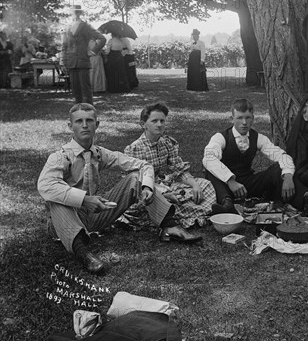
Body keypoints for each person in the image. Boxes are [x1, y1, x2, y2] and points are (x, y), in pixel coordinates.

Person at [38, 104, 202, 275]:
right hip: (62, 222)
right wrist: (85, 199)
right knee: (55, 200)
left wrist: (146, 187)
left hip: (93, 216)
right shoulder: (60, 156)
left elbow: (143, 165)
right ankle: (84, 253)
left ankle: (170, 227)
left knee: (135, 178)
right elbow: (45, 186)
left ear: (97, 124)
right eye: (79, 121)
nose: (85, 125)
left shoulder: (99, 153)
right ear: (70, 126)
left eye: (89, 121)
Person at [203, 98, 308, 215]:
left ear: (253, 118)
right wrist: (230, 180)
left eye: (248, 118)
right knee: (210, 169)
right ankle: (226, 204)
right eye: (239, 118)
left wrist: (287, 176)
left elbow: (281, 155)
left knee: (279, 168)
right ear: (232, 118)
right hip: (225, 186)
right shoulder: (220, 137)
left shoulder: (258, 138)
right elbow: (208, 158)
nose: (244, 123)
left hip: (247, 185)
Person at [125, 103, 216, 229]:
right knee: (157, 203)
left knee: (205, 185)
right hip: (148, 192)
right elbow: (135, 184)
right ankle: (189, 211)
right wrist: (164, 195)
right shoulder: (134, 149)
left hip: (166, 185)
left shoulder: (167, 143)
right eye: (154, 121)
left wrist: (194, 185)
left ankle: (182, 209)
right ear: (143, 124)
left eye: (162, 121)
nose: (159, 124)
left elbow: (179, 169)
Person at [62, 5, 106, 103]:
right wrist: (63, 62)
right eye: (73, 12)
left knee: (85, 88)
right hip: (71, 61)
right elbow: (64, 46)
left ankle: (89, 110)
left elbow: (102, 38)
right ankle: (78, 111)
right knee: (75, 89)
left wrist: (93, 51)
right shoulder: (67, 27)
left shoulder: (86, 26)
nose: (75, 14)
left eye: (77, 12)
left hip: (83, 61)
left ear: (80, 13)